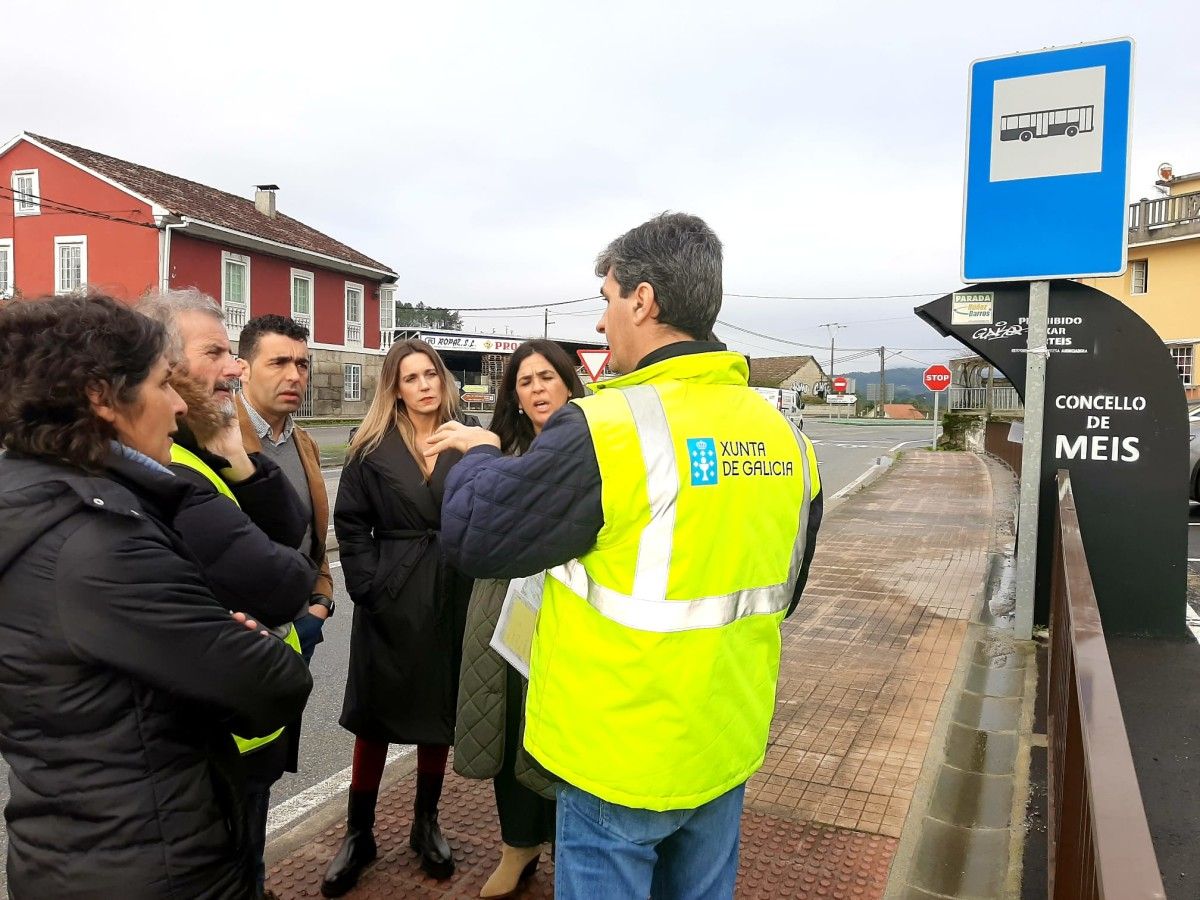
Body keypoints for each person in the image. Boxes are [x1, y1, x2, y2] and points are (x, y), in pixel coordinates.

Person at [429, 212, 823, 900]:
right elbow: (783, 591)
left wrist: (480, 456)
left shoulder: (612, 430)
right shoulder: (783, 436)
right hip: (722, 745)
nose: (604, 322)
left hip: (616, 759)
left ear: (643, 300)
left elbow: (476, 537)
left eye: (608, 299)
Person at [0, 293, 313, 900]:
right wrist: (233, 629)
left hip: (69, 846)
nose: (175, 405)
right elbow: (271, 682)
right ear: (100, 396)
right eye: (159, 383)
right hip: (156, 860)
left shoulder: (30, 497)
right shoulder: (102, 540)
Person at [137, 290, 318, 900]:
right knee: (228, 865)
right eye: (216, 351)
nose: (234, 368)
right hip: (211, 735)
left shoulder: (205, 443)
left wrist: (239, 459)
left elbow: (293, 529)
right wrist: (303, 597)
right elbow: (280, 580)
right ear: (160, 366)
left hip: (246, 718)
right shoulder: (165, 468)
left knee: (249, 853)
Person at [321, 339, 480, 896]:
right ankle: (359, 833)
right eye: (411, 378)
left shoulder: (465, 439)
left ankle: (425, 823)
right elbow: (352, 522)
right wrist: (367, 586)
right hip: (391, 590)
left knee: (438, 709)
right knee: (376, 714)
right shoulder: (369, 447)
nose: (425, 385)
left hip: (450, 591)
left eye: (430, 373)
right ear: (396, 388)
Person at [452, 340, 584, 898]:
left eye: (546, 377)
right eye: (524, 381)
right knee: (508, 729)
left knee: (565, 736)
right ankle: (518, 845)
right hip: (505, 612)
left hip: (573, 614)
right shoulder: (500, 448)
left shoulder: (590, 443)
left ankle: (571, 848)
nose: (535, 389)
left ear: (568, 383)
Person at [236, 314, 336, 663]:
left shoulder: (305, 443)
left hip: (302, 622)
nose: (294, 376)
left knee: (291, 718)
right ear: (243, 369)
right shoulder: (220, 437)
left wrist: (321, 599)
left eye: (302, 364)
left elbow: (314, 533)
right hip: (242, 632)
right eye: (278, 362)